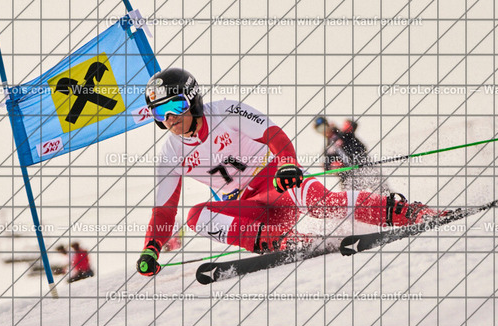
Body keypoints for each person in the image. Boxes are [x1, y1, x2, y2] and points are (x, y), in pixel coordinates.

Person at [136, 68, 445, 277]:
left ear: (193, 101)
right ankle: (283, 241)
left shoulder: (225, 112)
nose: (170, 118)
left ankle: (406, 212)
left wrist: (287, 163)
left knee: (321, 201)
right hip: (251, 210)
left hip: (277, 183)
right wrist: (152, 247)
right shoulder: (171, 153)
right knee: (196, 216)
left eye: (176, 106)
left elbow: (274, 134)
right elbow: (164, 210)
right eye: (160, 112)